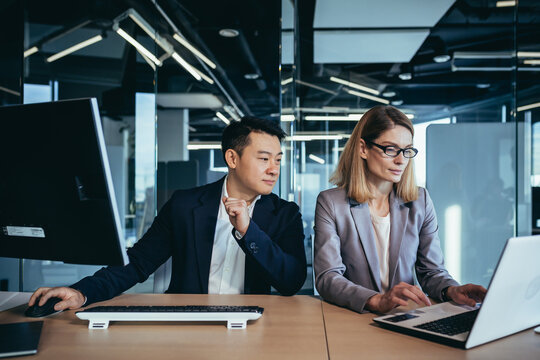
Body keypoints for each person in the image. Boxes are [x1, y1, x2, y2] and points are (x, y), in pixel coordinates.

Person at [29, 116, 307, 310]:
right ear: (232, 158)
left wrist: (248, 231)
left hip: (253, 324)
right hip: (188, 322)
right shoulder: (185, 205)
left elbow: (291, 282)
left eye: (278, 160)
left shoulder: (285, 214)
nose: (274, 169)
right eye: (264, 159)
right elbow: (137, 263)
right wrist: (82, 292)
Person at [314, 105, 486, 314]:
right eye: (391, 149)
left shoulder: (420, 201)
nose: (401, 160)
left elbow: (431, 272)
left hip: (402, 317)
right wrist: (375, 300)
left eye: (406, 150)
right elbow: (328, 277)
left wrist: (451, 289)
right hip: (353, 319)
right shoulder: (331, 203)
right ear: (363, 149)